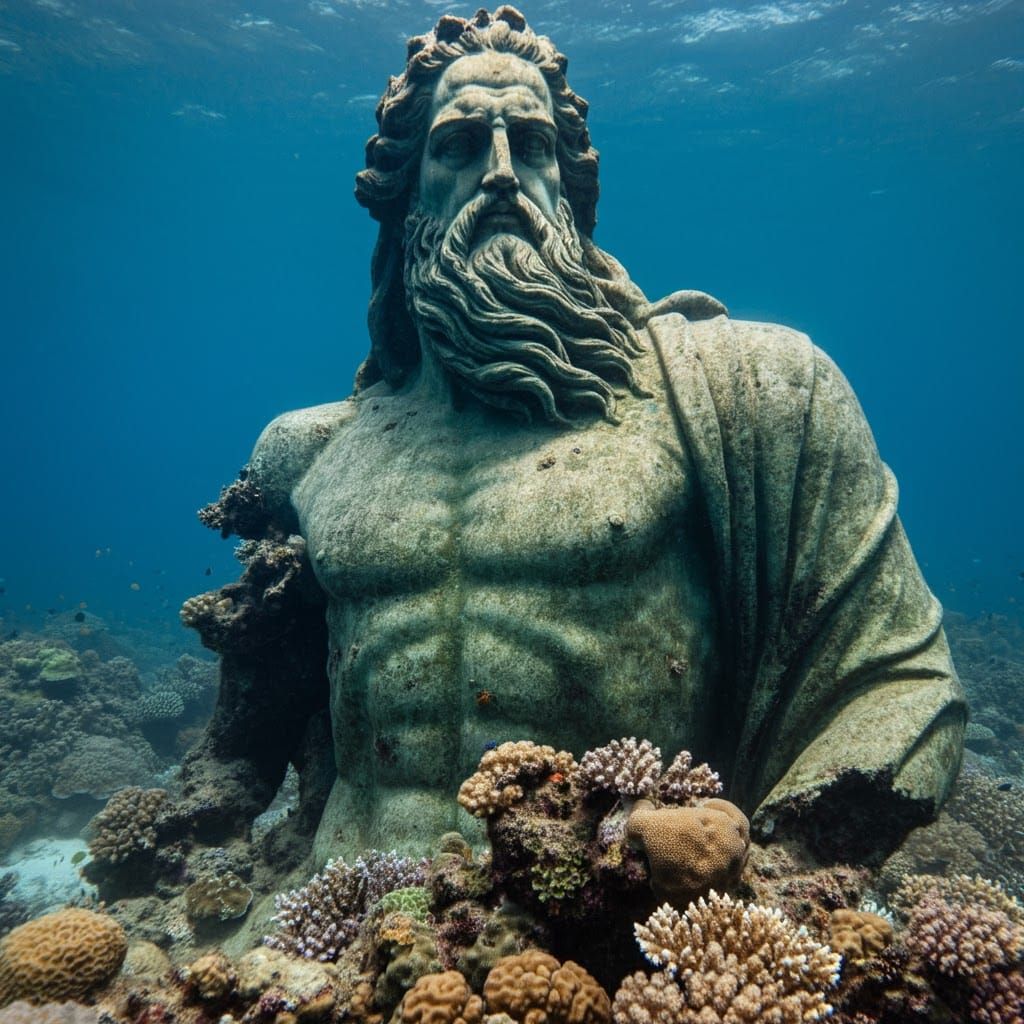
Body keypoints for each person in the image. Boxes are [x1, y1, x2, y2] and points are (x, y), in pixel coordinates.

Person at [185, 6, 965, 863]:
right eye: (459, 146)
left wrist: (776, 880)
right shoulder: (307, 455)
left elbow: (902, 680)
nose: (502, 175)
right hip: (337, 949)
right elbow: (242, 747)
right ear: (405, 196)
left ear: (572, 186)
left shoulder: (743, 391)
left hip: (627, 937)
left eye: (534, 142)